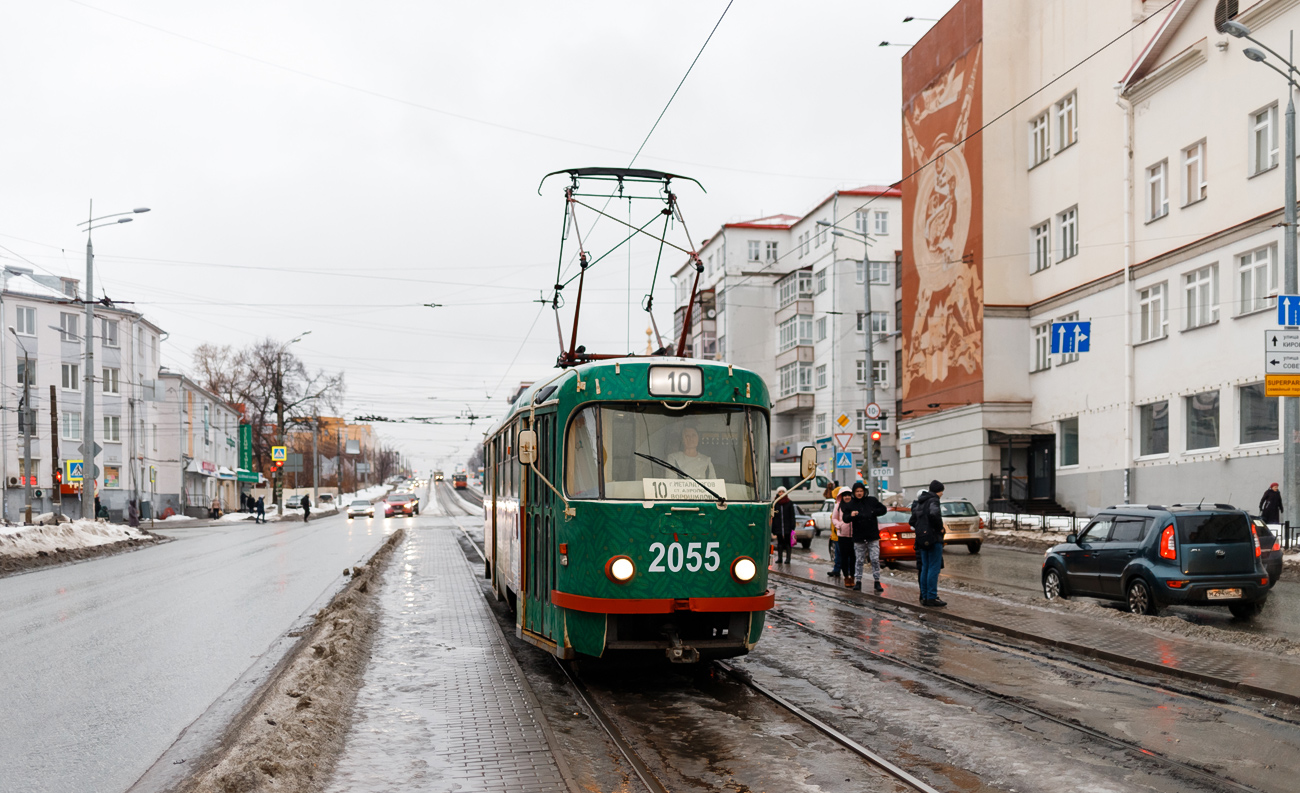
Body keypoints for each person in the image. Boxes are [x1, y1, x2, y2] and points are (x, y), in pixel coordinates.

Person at [847, 482, 888, 593]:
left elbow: (883, 509)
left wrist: (873, 512)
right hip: (859, 537)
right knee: (859, 560)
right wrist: (851, 515)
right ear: (854, 493)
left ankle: (877, 581)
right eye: (857, 492)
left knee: (874, 559)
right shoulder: (851, 504)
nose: (859, 493)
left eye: (861, 491)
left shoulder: (871, 501)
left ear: (864, 492)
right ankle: (858, 581)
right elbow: (845, 518)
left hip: (872, 536)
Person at [912, 480, 947, 607]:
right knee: (934, 567)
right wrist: (940, 528)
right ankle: (932, 597)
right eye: (942, 491)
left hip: (922, 538)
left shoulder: (921, 501)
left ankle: (925, 595)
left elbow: (913, 520)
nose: (942, 493)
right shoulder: (933, 500)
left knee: (925, 567)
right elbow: (934, 514)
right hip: (933, 537)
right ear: (939, 490)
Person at [835, 488, 858, 589]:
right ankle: (846, 577)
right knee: (844, 557)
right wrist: (839, 525)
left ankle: (852, 577)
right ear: (841, 496)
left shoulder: (855, 505)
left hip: (854, 535)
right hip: (842, 535)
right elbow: (834, 518)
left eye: (849, 495)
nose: (847, 497)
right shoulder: (838, 506)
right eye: (845, 495)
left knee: (853, 558)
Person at [827, 487, 848, 578]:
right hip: (836, 535)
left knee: (842, 554)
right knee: (838, 554)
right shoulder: (837, 505)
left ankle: (845, 571)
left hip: (841, 534)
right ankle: (837, 570)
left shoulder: (840, 506)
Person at [771, 487, 795, 564]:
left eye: (783, 492)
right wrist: (773, 528)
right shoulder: (775, 503)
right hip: (778, 527)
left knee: (788, 543)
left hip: (787, 527)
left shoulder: (789, 503)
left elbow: (792, 515)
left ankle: (788, 558)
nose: (781, 493)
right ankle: (780, 558)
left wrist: (792, 526)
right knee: (780, 543)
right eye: (780, 492)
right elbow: (773, 516)